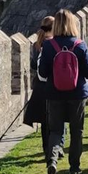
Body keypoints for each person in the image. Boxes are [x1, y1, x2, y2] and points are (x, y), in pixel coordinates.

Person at [38, 9, 88, 174]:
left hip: (54, 93)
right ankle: (75, 167)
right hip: (77, 93)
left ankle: (52, 161)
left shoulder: (49, 45)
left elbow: (42, 72)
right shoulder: (80, 45)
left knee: (56, 130)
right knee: (76, 130)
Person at [23, 16, 55, 158]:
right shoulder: (54, 44)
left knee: (45, 120)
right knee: (57, 118)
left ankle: (46, 148)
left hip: (40, 85)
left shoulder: (37, 44)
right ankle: (56, 148)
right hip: (54, 84)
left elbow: (32, 65)